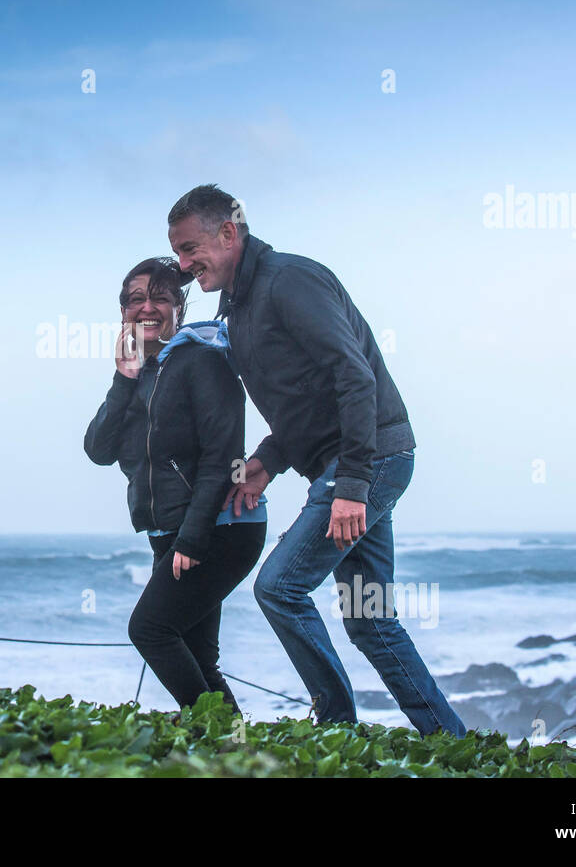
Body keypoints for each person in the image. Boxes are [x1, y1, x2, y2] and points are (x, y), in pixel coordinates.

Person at [166, 184, 467, 737]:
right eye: (179, 254)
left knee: (278, 587)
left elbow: (353, 377)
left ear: (228, 233)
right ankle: (449, 741)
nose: (185, 266)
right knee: (371, 621)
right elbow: (307, 401)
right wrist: (267, 461)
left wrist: (351, 483)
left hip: (367, 460)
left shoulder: (289, 280)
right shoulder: (239, 306)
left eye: (190, 249)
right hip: (360, 461)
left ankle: (336, 727)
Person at [84, 257, 267, 712]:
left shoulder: (203, 361)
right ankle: (235, 755)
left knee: (149, 630)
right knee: (199, 655)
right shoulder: (142, 375)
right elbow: (98, 449)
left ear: (179, 309)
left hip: (219, 528)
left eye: (161, 297)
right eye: (136, 300)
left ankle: (223, 741)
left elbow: (220, 459)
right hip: (171, 531)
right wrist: (122, 378)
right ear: (123, 312)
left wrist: (192, 538)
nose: (147, 307)